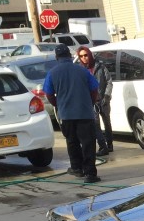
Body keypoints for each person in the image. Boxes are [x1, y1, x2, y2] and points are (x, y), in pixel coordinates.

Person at [43, 44, 100, 183]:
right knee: (88, 143)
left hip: (66, 114)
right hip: (84, 113)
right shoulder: (83, 71)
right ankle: (90, 174)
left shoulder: (52, 73)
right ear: (70, 55)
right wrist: (90, 103)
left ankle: (77, 168)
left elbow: (48, 93)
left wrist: (58, 104)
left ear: (56, 57)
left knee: (72, 142)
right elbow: (94, 89)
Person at [77, 47, 113, 156]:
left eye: (86, 55)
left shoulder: (100, 66)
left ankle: (110, 144)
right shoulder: (80, 70)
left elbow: (109, 81)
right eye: (81, 56)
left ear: (89, 55)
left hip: (103, 99)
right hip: (91, 102)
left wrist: (107, 96)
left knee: (107, 122)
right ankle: (103, 146)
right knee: (95, 125)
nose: (84, 58)